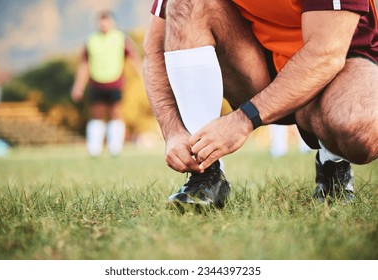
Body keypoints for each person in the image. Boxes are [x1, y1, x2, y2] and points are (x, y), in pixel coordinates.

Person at [143, 0, 378, 206]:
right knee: (186, 3)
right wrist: (173, 130)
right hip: (258, 67)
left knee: (360, 129)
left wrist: (243, 120)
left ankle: (333, 161)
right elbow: (154, 48)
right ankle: (205, 173)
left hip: (336, 64)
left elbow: (326, 53)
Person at [72, 10, 141, 156]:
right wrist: (78, 87)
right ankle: (94, 149)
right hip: (96, 83)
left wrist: (143, 76)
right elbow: (84, 65)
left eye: (106, 20)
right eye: (101, 20)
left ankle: (115, 149)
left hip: (115, 82)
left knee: (115, 113)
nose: (103, 24)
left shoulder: (121, 38)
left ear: (112, 22)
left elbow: (134, 58)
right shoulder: (91, 40)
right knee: (96, 114)